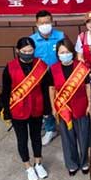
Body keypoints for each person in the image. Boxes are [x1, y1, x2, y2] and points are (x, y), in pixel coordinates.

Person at [0, 37, 50, 180]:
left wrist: (47, 108)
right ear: (17, 51)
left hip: (36, 107)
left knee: (36, 137)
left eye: (30, 51)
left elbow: (46, 89)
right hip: (18, 109)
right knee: (22, 139)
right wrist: (7, 112)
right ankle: (28, 167)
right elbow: (6, 92)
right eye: (24, 51)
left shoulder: (41, 65)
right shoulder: (10, 67)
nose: (27, 54)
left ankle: (38, 163)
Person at [48, 38, 91, 176]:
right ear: (57, 54)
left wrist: (89, 104)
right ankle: (72, 164)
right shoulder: (53, 69)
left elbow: (87, 86)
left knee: (84, 136)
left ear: (72, 52)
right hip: (63, 108)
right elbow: (52, 89)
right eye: (62, 52)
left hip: (81, 105)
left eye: (67, 52)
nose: (65, 55)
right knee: (67, 138)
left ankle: (86, 162)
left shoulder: (81, 67)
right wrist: (53, 108)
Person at [30, 10, 65, 146]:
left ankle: (64, 125)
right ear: (36, 24)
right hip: (41, 78)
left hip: (59, 75)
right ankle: (50, 129)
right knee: (45, 104)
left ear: (52, 21)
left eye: (47, 22)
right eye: (42, 23)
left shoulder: (60, 36)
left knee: (62, 100)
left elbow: (67, 52)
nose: (45, 25)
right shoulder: (32, 40)